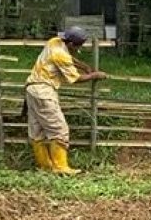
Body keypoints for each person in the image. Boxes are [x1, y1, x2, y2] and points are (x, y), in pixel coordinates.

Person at [24, 27, 107, 175]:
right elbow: (75, 78)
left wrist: (83, 66)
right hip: (44, 91)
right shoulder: (60, 55)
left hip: (32, 88)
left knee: (37, 131)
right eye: (78, 46)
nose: (79, 49)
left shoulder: (54, 41)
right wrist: (95, 75)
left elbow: (69, 59)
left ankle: (44, 166)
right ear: (71, 44)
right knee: (59, 129)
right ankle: (60, 167)